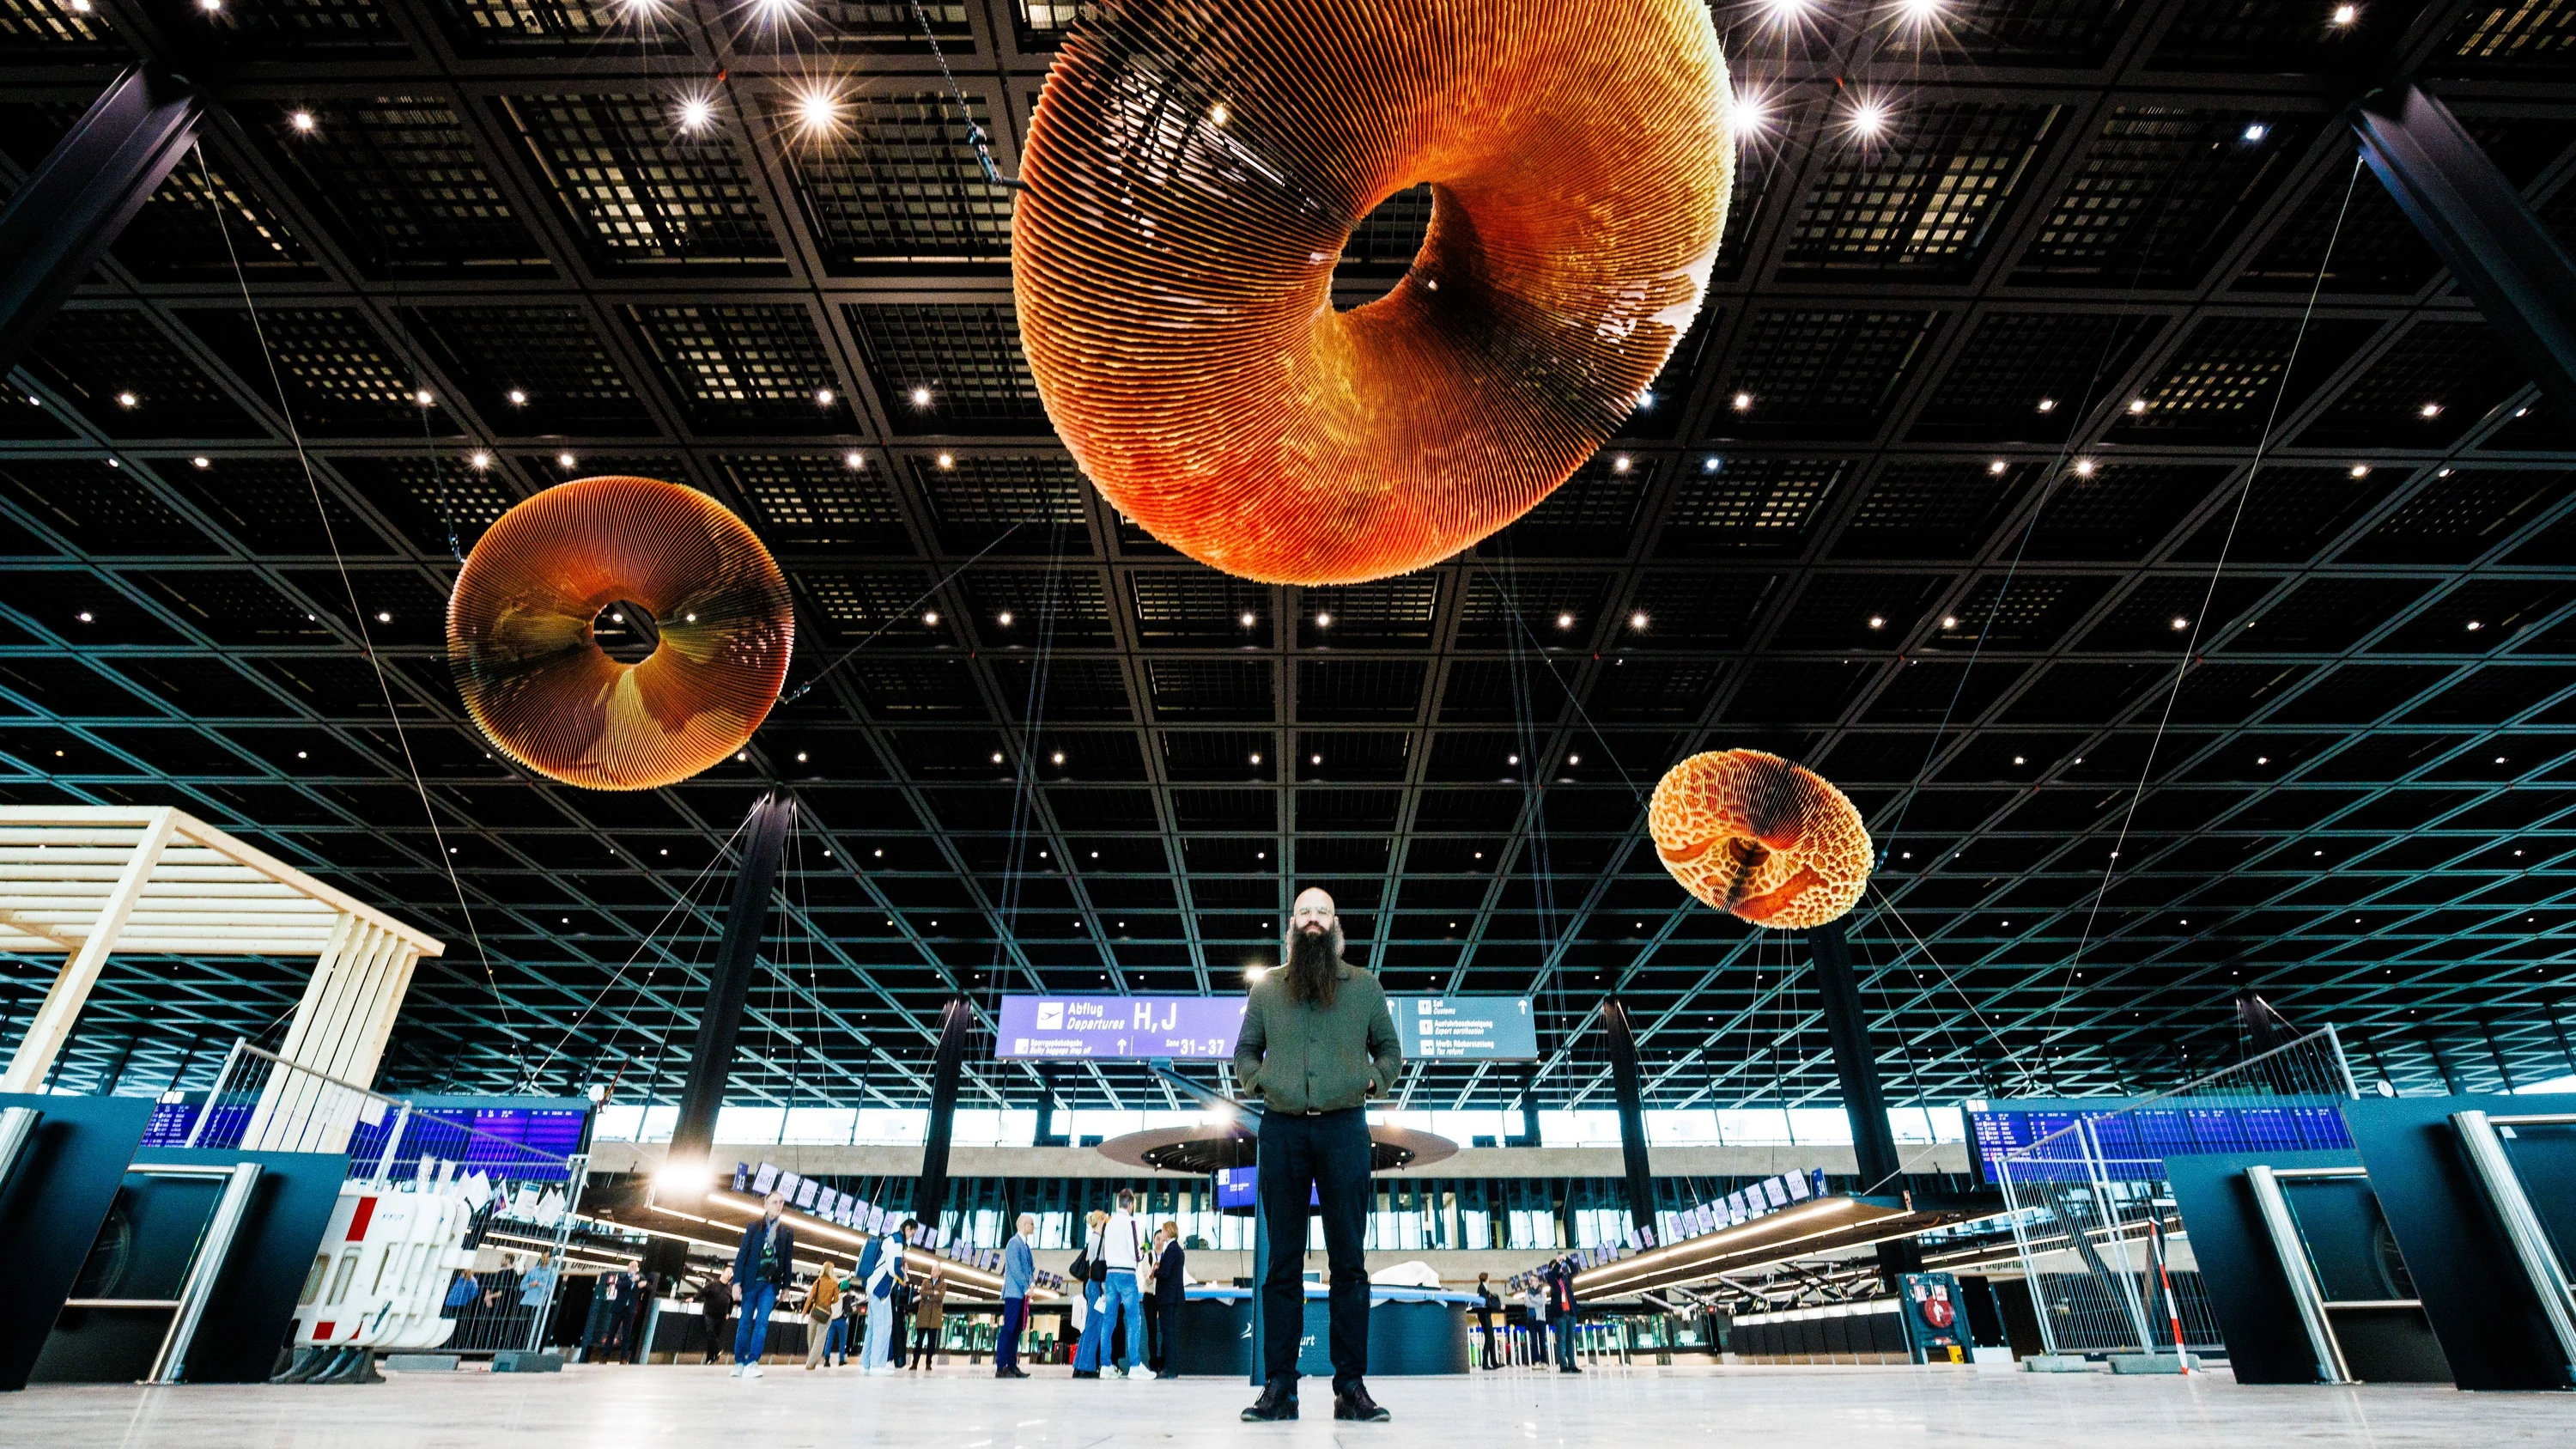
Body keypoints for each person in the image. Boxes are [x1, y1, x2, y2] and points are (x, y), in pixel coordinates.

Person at [1233, 886, 1402, 1423]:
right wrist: (1260, 1083)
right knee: (1281, 1264)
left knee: (1349, 1263)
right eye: (1304, 912)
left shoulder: (1365, 987)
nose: (1312, 920)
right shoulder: (1267, 990)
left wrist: (1372, 1082)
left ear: (1335, 924)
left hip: (1345, 1129)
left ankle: (1350, 1386)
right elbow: (1244, 1051)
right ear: (1292, 924)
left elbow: (1391, 1051)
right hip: (1281, 1130)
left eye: (1321, 912)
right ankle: (1280, 1387)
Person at [729, 1190, 796, 1379]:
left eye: (782, 1202)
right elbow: (742, 1255)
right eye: (775, 1202)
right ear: (766, 1205)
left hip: (770, 1283)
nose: (779, 1205)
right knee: (744, 1321)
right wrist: (737, 1282)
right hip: (751, 1282)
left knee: (762, 1322)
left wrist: (786, 1287)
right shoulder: (754, 1227)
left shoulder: (787, 1232)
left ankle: (753, 1362)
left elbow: (787, 1261)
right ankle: (739, 1362)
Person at [1094, 1188, 1152, 1380]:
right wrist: (1143, 1253)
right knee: (1134, 1320)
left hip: (1110, 1275)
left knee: (1109, 1320)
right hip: (1127, 1275)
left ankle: (1105, 1366)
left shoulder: (1109, 1223)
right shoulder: (1131, 1222)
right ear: (1131, 1204)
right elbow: (1136, 1253)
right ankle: (1135, 1364)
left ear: (1118, 1203)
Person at [859, 1219, 910, 1373]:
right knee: (884, 1325)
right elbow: (892, 1268)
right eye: (912, 1232)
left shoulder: (889, 1240)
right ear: (907, 1228)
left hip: (873, 1287)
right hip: (881, 1289)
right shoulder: (897, 1241)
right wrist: (904, 1277)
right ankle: (877, 1365)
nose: (911, 1236)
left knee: (873, 1327)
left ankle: (865, 1364)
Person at [1069, 1209, 1109, 1378]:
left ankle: (1079, 1364)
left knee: (1089, 1326)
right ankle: (1087, 1367)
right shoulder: (1100, 1241)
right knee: (1095, 1327)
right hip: (1098, 1286)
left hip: (1091, 1285)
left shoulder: (1092, 1240)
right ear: (1101, 1221)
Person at [996, 1213, 1036, 1379]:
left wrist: (1032, 1284)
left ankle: (1012, 1365)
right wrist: (1026, 1287)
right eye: (1032, 1224)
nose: (1034, 1227)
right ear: (1024, 1225)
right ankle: (1001, 1366)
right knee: (1009, 1329)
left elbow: (1030, 1269)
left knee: (1017, 1330)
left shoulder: (1025, 1246)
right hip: (1014, 1294)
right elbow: (1015, 1268)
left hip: (1022, 1294)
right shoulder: (1014, 1243)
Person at [1149, 1221, 1186, 1377]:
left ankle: (1170, 1368)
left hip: (1167, 1298)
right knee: (1169, 1332)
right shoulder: (1177, 1250)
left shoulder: (1171, 1250)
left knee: (1167, 1333)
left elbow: (1165, 1274)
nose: (1161, 1234)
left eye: (1163, 1231)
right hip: (1173, 1297)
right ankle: (1171, 1368)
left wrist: (1156, 1270)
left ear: (1168, 1232)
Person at [910, 1263, 946, 1370]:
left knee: (931, 1342)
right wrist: (933, 1293)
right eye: (932, 1270)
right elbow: (922, 1294)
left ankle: (928, 1364)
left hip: (934, 1318)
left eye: (935, 1270)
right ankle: (915, 1363)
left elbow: (940, 1296)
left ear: (939, 1272)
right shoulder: (925, 1282)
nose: (932, 1272)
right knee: (919, 1341)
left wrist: (929, 1296)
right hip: (923, 1316)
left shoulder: (943, 1284)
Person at [802, 1263, 839, 1370]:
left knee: (811, 1338)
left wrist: (804, 1311)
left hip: (814, 1312)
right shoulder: (834, 1284)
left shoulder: (817, 1282)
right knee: (820, 1339)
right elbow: (836, 1300)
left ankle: (810, 1360)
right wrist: (829, 1301)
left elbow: (810, 1298)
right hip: (826, 1314)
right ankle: (811, 1363)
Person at [1550, 1258, 1581, 1373]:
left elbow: (1575, 1270)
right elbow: (1551, 1275)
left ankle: (1572, 1364)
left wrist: (1566, 1259)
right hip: (1560, 1314)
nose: (1558, 1268)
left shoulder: (1566, 1279)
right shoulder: (1552, 1280)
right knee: (1561, 1339)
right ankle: (1563, 1365)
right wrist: (1557, 1263)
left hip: (1571, 1312)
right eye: (1555, 1266)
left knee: (1570, 1339)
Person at [697, 1269, 734, 1365]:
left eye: (730, 1274)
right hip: (709, 1314)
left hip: (721, 1316)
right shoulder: (713, 1284)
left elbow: (731, 1303)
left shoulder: (730, 1289)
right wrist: (693, 1298)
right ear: (722, 1273)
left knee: (714, 1337)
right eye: (727, 1273)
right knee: (710, 1332)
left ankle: (710, 1358)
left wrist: (728, 1313)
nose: (729, 1275)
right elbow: (702, 1292)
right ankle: (717, 1350)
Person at [1475, 1272, 1501, 1370]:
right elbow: (1487, 1303)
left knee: (1491, 1340)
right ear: (1486, 1279)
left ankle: (1494, 1362)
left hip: (1485, 1316)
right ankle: (1485, 1364)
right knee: (1489, 1339)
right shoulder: (1482, 1289)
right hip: (1485, 1316)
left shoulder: (1484, 1289)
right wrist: (1498, 1306)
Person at [1523, 1275, 1547, 1367]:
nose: (1530, 1282)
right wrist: (1536, 1302)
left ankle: (1544, 1362)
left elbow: (1543, 1301)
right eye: (1530, 1280)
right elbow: (1527, 1303)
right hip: (1531, 1319)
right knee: (1534, 1341)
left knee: (1542, 1341)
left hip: (1541, 1319)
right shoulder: (1527, 1291)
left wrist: (1533, 1300)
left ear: (1537, 1281)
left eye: (1532, 1280)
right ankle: (1537, 1361)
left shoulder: (1543, 1292)